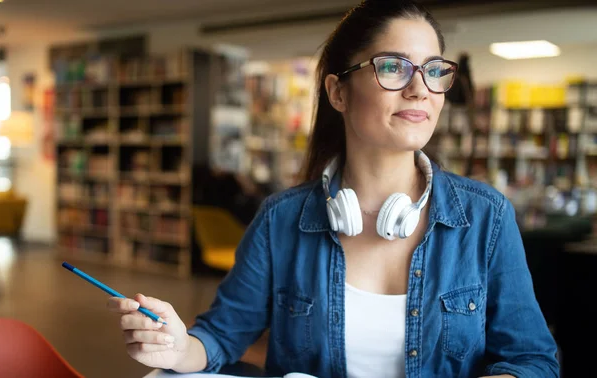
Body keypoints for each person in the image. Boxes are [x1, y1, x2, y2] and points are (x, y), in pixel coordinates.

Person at [107, 1, 560, 377]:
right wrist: (174, 346)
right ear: (338, 92)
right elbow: (221, 338)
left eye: (434, 70)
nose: (420, 89)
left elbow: (533, 359)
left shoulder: (486, 218)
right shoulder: (281, 220)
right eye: (394, 67)